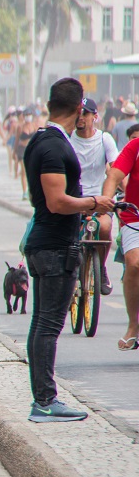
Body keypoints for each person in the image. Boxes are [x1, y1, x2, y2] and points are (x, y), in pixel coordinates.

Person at [23, 78, 113, 423]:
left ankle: (42, 398)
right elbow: (57, 201)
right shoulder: (53, 147)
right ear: (79, 110)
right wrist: (94, 202)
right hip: (54, 246)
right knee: (48, 325)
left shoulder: (42, 140)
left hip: (46, 244)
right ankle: (45, 401)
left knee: (41, 324)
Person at [71, 98, 119, 295]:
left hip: (99, 200)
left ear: (95, 117)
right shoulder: (67, 139)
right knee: (69, 235)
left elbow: (116, 170)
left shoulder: (104, 139)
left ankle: (101, 268)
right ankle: (69, 277)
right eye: (78, 113)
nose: (81, 117)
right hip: (75, 199)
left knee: (105, 228)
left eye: (85, 113)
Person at [103, 127, 139, 351]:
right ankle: (133, 325)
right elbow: (115, 174)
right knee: (134, 264)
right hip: (134, 216)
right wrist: (105, 199)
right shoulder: (135, 147)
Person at [13, 109, 36, 200]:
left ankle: (31, 190)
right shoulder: (20, 127)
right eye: (26, 115)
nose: (28, 117)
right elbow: (17, 140)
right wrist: (14, 151)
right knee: (24, 171)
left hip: (32, 149)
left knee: (32, 171)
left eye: (29, 115)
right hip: (22, 149)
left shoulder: (34, 126)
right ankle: (24, 191)